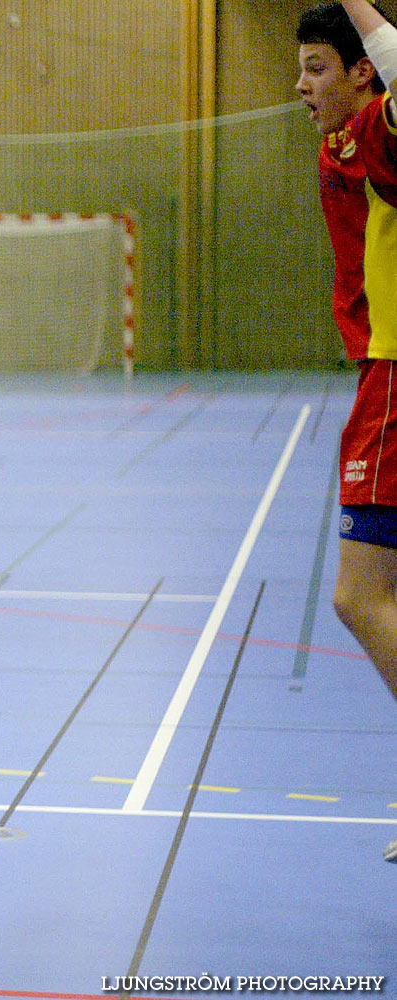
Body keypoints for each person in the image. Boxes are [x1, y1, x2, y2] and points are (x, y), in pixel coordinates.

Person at [297, 0, 397, 861]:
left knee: (357, 597)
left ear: (364, 68)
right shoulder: (348, 139)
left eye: (317, 68)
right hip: (381, 369)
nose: (300, 87)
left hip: (395, 374)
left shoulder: (378, 133)